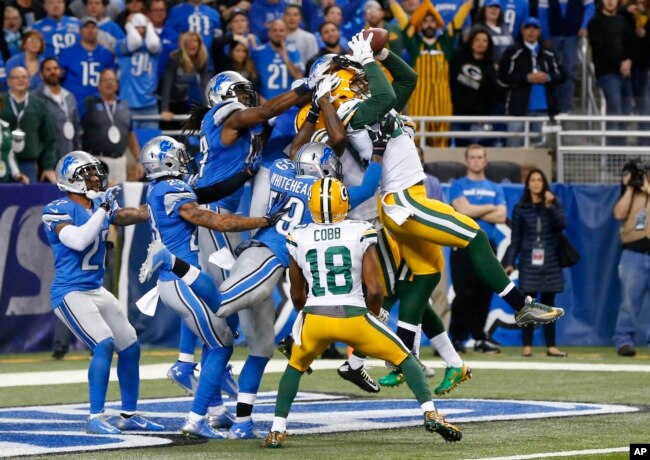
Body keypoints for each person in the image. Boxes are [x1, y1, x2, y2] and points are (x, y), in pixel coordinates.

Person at [324, 34, 564, 370]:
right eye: (355, 77)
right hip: (404, 200)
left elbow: (409, 79)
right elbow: (386, 93)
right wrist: (366, 59)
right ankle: (520, 303)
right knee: (474, 235)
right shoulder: (353, 113)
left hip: (406, 200)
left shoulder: (374, 107)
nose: (361, 78)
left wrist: (382, 54)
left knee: (422, 278)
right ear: (338, 87)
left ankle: (403, 361)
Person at [166, 69, 325, 420]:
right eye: (240, 90)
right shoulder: (225, 117)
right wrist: (308, 86)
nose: (248, 96)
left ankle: (207, 395)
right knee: (226, 304)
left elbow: (284, 136)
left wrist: (313, 110)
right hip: (214, 213)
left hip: (220, 210)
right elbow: (268, 111)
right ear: (222, 95)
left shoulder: (245, 132)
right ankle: (190, 366)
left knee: (221, 296)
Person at [262, 178, 462, 448]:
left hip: (316, 317)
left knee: (295, 366)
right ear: (344, 201)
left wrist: (306, 318)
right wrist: (376, 314)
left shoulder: (298, 236)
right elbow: (375, 287)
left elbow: (297, 293)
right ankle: (430, 413)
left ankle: (277, 429)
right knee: (406, 358)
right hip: (353, 315)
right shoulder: (359, 229)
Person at [138, 136, 287, 439]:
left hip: (178, 280)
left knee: (215, 340)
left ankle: (215, 412)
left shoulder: (161, 189)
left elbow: (209, 192)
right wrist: (263, 220)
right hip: (182, 281)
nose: (184, 159)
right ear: (166, 161)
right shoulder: (172, 190)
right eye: (178, 156)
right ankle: (195, 419)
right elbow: (216, 222)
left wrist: (244, 175)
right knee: (222, 344)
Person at [42, 151, 163, 434]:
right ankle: (95, 417)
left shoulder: (99, 207)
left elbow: (134, 214)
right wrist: (101, 210)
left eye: (96, 173)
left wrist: (166, 202)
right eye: (88, 174)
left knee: (131, 346)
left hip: (95, 289)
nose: (96, 178)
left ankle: (129, 415)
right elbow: (79, 239)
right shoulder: (57, 208)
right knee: (104, 343)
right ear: (71, 179)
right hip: (70, 292)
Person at [503, 169, 568, 357]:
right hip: (529, 261)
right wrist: (510, 261)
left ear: (544, 183)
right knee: (527, 305)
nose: (536, 183)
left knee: (549, 305)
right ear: (528, 184)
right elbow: (516, 239)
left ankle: (551, 346)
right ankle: (527, 346)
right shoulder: (520, 208)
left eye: (540, 180)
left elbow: (561, 225)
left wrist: (550, 205)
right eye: (533, 180)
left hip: (551, 260)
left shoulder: (554, 203)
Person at [448, 144, 505, 354]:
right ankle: (456, 338)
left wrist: (474, 210)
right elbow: (462, 211)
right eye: (472, 157)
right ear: (466, 161)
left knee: (484, 293)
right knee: (463, 293)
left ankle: (480, 338)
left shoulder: (495, 187)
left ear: (485, 160)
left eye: (480, 157)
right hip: (463, 244)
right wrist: (490, 207)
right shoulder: (458, 185)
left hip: (488, 246)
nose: (476, 161)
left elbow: (501, 216)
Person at [403, 0, 472, 146]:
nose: (429, 24)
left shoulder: (445, 42)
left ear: (437, 24)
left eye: (432, 21)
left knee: (441, 138)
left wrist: (468, 4)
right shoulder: (414, 43)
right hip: (419, 99)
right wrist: (392, 4)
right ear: (420, 25)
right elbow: (405, 24)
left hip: (442, 99)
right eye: (425, 21)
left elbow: (457, 22)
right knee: (415, 138)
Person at [498, 17, 565, 147]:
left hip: (543, 109)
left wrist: (548, 77)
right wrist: (526, 78)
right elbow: (502, 78)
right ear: (522, 31)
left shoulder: (549, 53)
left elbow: (562, 75)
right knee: (514, 147)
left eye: (535, 28)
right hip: (517, 109)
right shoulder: (512, 52)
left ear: (540, 32)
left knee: (541, 151)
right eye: (528, 28)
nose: (531, 31)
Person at [612, 160, 650, 357]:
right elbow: (619, 213)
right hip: (633, 254)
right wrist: (629, 188)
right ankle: (624, 341)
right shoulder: (631, 193)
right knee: (629, 302)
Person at [81, 69, 142, 185]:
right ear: (98, 84)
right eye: (105, 80)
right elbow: (77, 130)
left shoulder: (124, 105)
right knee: (99, 198)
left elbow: (130, 134)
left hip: (120, 161)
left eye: (112, 80)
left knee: (119, 199)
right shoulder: (88, 104)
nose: (109, 83)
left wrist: (138, 160)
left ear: (117, 84)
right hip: (97, 160)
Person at [588, 0, 635, 144]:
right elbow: (600, 49)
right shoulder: (595, 22)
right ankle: (612, 159)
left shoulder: (622, 21)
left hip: (625, 73)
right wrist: (620, 64)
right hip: (607, 73)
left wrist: (629, 61)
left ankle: (621, 157)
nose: (610, 2)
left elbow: (631, 44)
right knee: (615, 114)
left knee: (625, 115)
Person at [0, 66, 57, 183]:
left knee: (29, 200)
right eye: (16, 77)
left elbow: (49, 137)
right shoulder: (1, 101)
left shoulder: (38, 104)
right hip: (3, 162)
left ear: (29, 81)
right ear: (9, 81)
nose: (20, 80)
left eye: (24, 77)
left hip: (28, 164)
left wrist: (48, 166)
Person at [539, 0, 594, 114]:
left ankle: (567, 107)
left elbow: (590, 7)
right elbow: (542, 13)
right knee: (552, 71)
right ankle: (554, 107)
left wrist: (584, 26)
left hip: (572, 35)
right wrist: (546, 35)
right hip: (553, 36)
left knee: (570, 70)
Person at [449, 27, 499, 147]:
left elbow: (492, 95)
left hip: (478, 117)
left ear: (488, 45)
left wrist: (486, 116)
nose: (480, 43)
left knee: (477, 149)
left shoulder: (490, 67)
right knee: (459, 149)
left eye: (484, 40)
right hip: (457, 113)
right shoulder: (458, 58)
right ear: (471, 42)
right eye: (477, 39)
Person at [58, 16, 116, 119]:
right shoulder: (67, 52)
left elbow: (112, 79)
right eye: (86, 27)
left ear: (97, 30)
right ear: (80, 31)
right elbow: (59, 78)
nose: (90, 30)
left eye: (93, 27)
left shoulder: (106, 54)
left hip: (99, 104)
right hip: (74, 103)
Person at [116, 13, 161, 129]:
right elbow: (135, 42)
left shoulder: (153, 43)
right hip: (128, 103)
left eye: (143, 27)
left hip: (149, 103)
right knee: (130, 144)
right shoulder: (121, 44)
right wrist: (129, 25)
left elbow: (153, 44)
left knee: (150, 142)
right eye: (137, 27)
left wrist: (150, 24)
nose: (140, 30)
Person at [160, 31, 209, 130]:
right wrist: (165, 109)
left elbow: (204, 85)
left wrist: (208, 108)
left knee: (183, 131)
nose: (192, 44)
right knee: (166, 130)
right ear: (184, 45)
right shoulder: (175, 58)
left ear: (199, 44)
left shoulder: (201, 60)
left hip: (181, 100)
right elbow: (167, 85)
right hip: (165, 100)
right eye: (189, 41)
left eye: (195, 41)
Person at [35, 57, 82, 161]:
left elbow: (76, 129)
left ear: (60, 71)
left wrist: (78, 155)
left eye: (55, 68)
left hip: (69, 158)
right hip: (46, 159)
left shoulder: (69, 97)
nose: (52, 72)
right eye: (48, 69)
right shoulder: (36, 97)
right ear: (41, 74)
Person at [251, 20, 303, 101]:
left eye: (281, 30)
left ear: (286, 33)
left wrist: (285, 57)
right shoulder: (258, 52)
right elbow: (251, 78)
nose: (278, 33)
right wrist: (259, 98)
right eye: (274, 30)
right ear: (269, 33)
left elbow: (299, 77)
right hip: (265, 104)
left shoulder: (294, 52)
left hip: (287, 103)